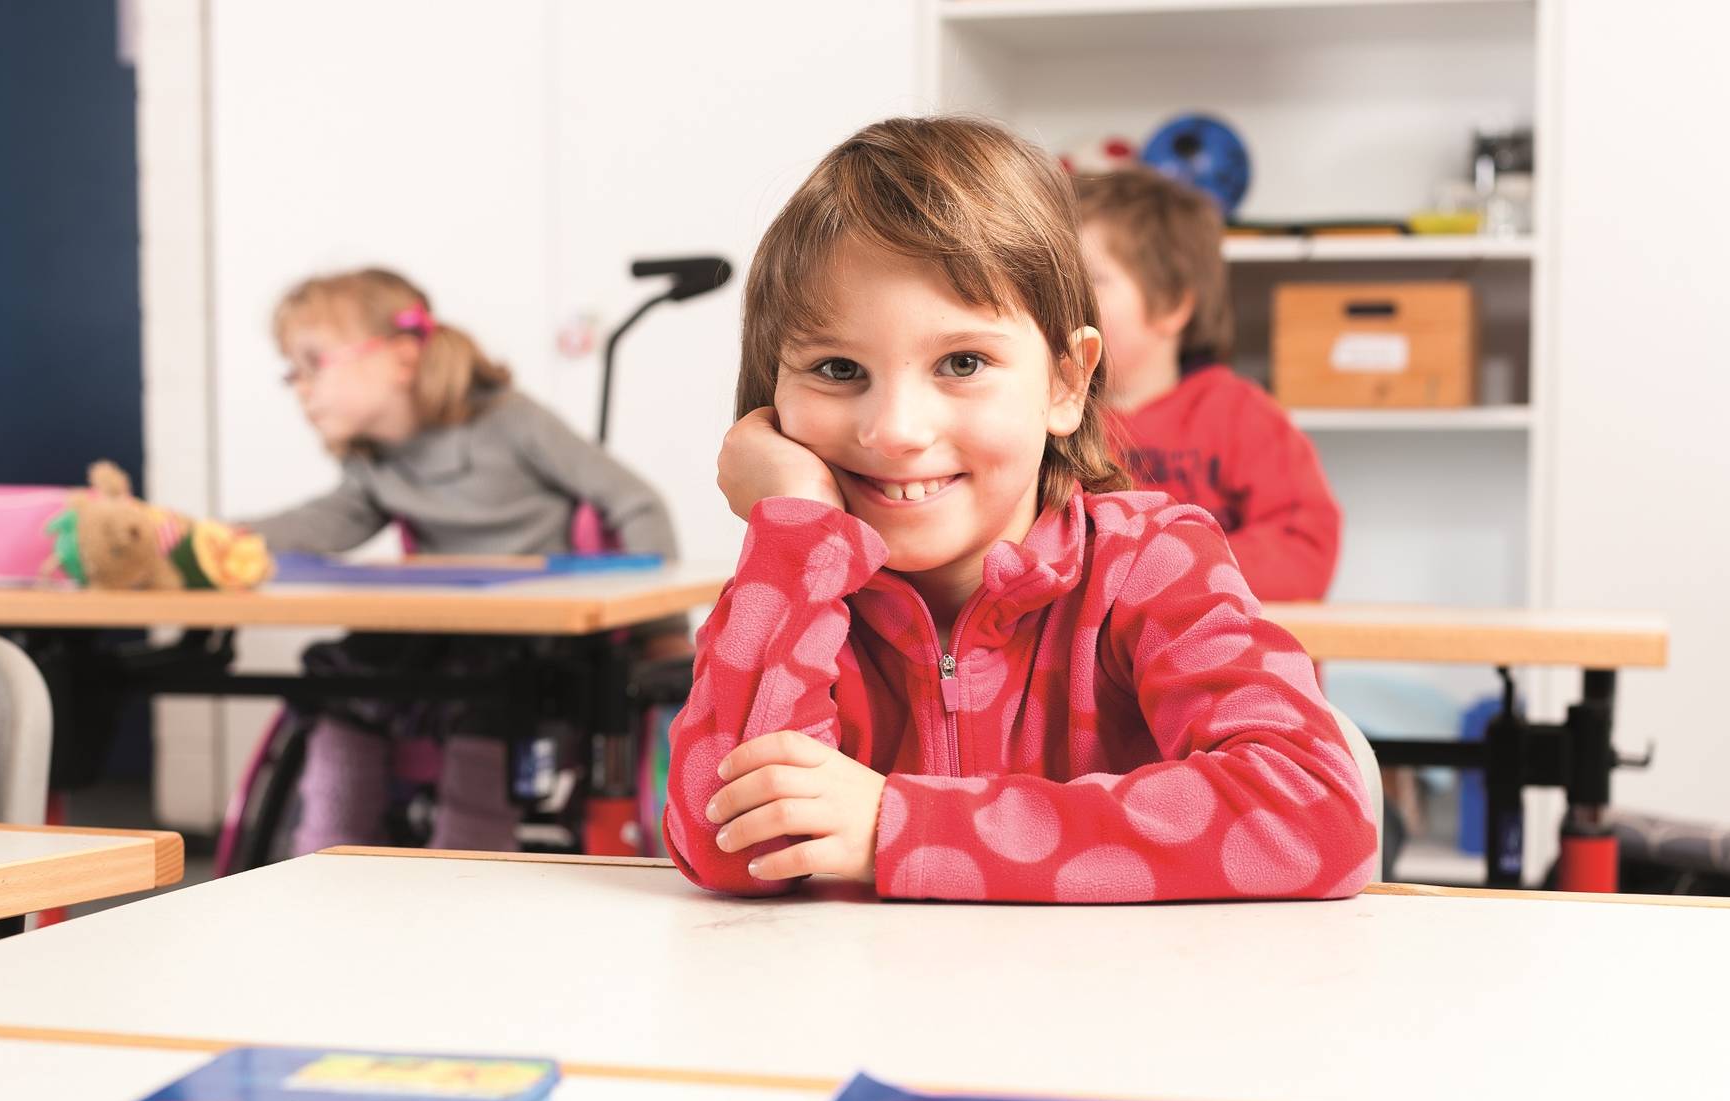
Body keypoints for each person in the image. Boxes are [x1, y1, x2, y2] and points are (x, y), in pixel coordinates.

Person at [662, 118, 1375, 902]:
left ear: (1068, 383)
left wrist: (901, 828)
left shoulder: (1153, 564)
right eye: (838, 368)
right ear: (772, 400)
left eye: (962, 363)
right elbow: (728, 846)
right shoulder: (801, 581)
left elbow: (1319, 816)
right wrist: (794, 529)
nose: (896, 432)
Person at [242, 267, 686, 855]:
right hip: (439, 638)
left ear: (401, 358)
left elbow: (633, 502)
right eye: (291, 371)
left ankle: (465, 882)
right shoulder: (376, 460)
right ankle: (327, 865)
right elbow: (328, 521)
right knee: (343, 687)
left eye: (313, 362)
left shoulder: (511, 421)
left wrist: (663, 632)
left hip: (532, 646)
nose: (299, 385)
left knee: (488, 698)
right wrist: (222, 538)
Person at [1076, 167, 1341, 602]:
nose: (1064, 298)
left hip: (1231, 660)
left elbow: (1304, 552)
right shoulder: (1045, 419)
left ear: (1172, 304)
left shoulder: (1243, 416)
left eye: (1091, 280)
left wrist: (1158, 570)